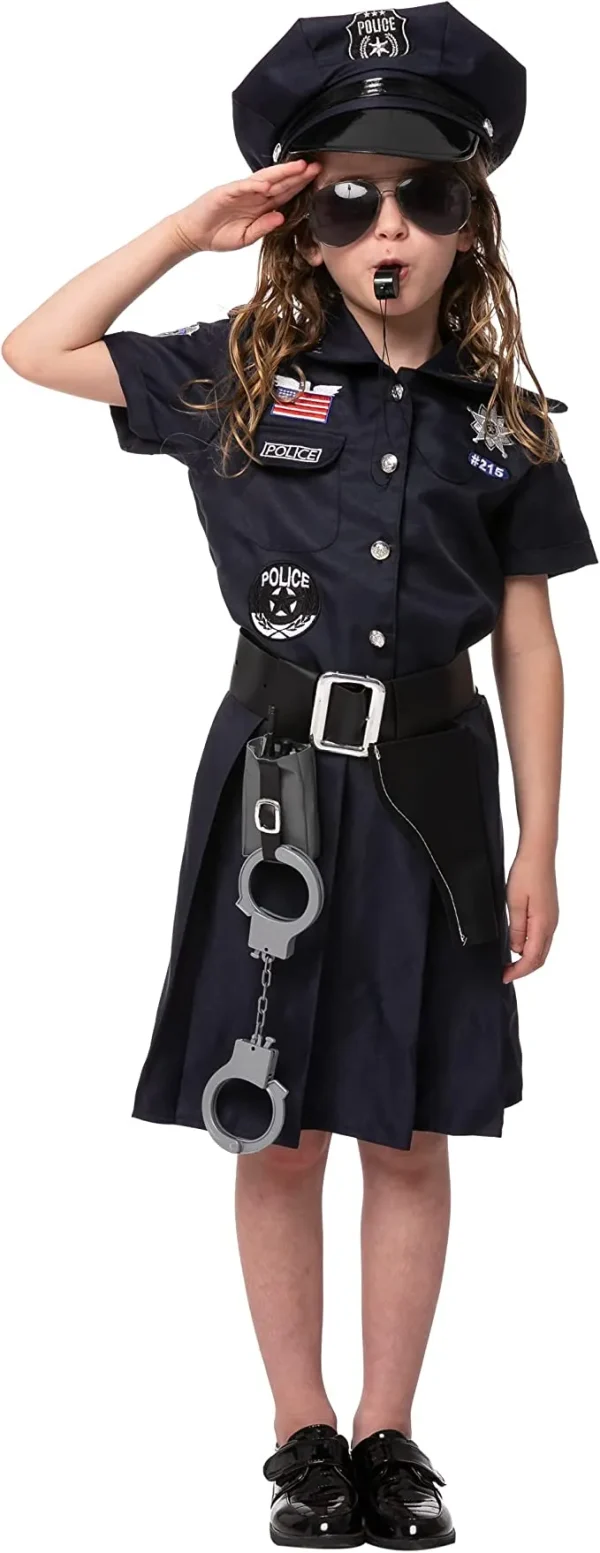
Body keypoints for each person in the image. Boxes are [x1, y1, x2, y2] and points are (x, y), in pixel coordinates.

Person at [3, 4, 597, 1547]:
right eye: (348, 201)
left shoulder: (506, 422)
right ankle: (302, 1435)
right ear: (307, 228)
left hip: (438, 799)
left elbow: (530, 643)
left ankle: (392, 1435)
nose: (388, 228)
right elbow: (35, 348)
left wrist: (541, 845)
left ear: (470, 221)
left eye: (424, 197)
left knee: (410, 1129)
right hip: (276, 794)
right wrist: (187, 230)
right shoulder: (239, 378)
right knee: (274, 1123)